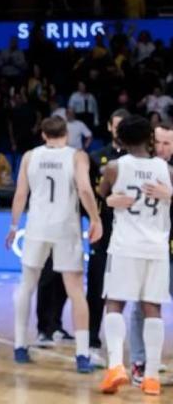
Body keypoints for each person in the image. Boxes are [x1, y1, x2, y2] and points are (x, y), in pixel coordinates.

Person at [7, 116, 102, 373]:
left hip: (37, 226)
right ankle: (82, 354)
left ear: (43, 135)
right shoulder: (76, 155)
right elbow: (84, 189)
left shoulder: (29, 156)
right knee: (75, 290)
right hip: (65, 228)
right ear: (67, 135)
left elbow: (20, 194)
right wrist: (95, 218)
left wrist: (14, 227)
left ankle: (19, 345)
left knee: (27, 285)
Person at [97, 115, 172, 396]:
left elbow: (101, 196)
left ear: (120, 140)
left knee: (114, 303)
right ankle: (151, 376)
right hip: (156, 248)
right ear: (149, 139)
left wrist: (108, 199)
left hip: (125, 245)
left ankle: (116, 365)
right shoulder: (166, 170)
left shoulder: (115, 167)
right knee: (153, 307)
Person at [125, 121, 173, 386]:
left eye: (168, 143)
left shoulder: (167, 172)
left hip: (168, 246)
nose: (163, 148)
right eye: (160, 142)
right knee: (142, 306)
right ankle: (139, 362)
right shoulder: (136, 167)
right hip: (146, 246)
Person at [87, 109, 130, 365]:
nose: (120, 130)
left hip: (130, 234)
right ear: (109, 127)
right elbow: (90, 196)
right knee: (96, 288)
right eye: (117, 126)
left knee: (132, 293)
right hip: (103, 233)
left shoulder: (140, 159)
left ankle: (132, 350)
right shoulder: (97, 157)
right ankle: (92, 338)